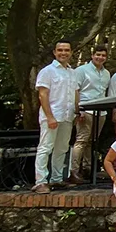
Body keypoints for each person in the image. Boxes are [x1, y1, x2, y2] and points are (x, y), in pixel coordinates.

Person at [33, 39, 81, 194]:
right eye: (60, 50)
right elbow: (43, 95)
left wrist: (77, 111)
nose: (63, 53)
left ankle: (56, 179)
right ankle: (40, 181)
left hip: (67, 116)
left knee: (62, 149)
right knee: (45, 147)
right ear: (54, 52)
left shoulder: (72, 73)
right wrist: (50, 116)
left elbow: (75, 94)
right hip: (52, 116)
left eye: (66, 50)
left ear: (71, 53)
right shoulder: (47, 71)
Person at [70, 44, 111, 184]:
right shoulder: (81, 70)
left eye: (103, 55)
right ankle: (74, 171)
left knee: (91, 142)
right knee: (81, 140)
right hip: (85, 109)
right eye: (98, 55)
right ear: (92, 55)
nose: (100, 57)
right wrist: (78, 110)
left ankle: (88, 169)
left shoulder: (106, 73)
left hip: (101, 112)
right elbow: (76, 90)